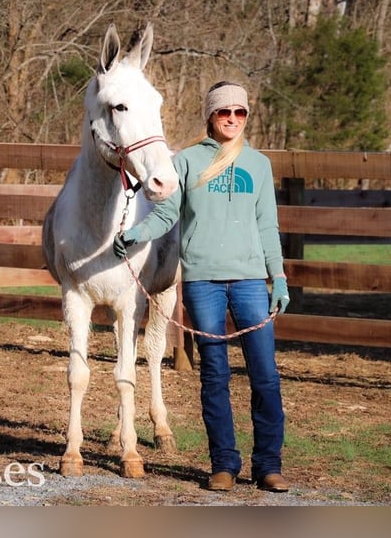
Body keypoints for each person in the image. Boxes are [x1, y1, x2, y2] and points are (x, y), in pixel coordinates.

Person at [113, 81, 290, 492]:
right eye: (224, 111)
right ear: (210, 116)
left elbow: (268, 225)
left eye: (240, 112)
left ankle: (269, 465)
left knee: (265, 375)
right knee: (214, 374)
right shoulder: (187, 161)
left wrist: (277, 277)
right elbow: (167, 215)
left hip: (249, 283)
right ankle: (223, 465)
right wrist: (137, 233)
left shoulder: (259, 165)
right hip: (202, 283)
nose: (232, 118)